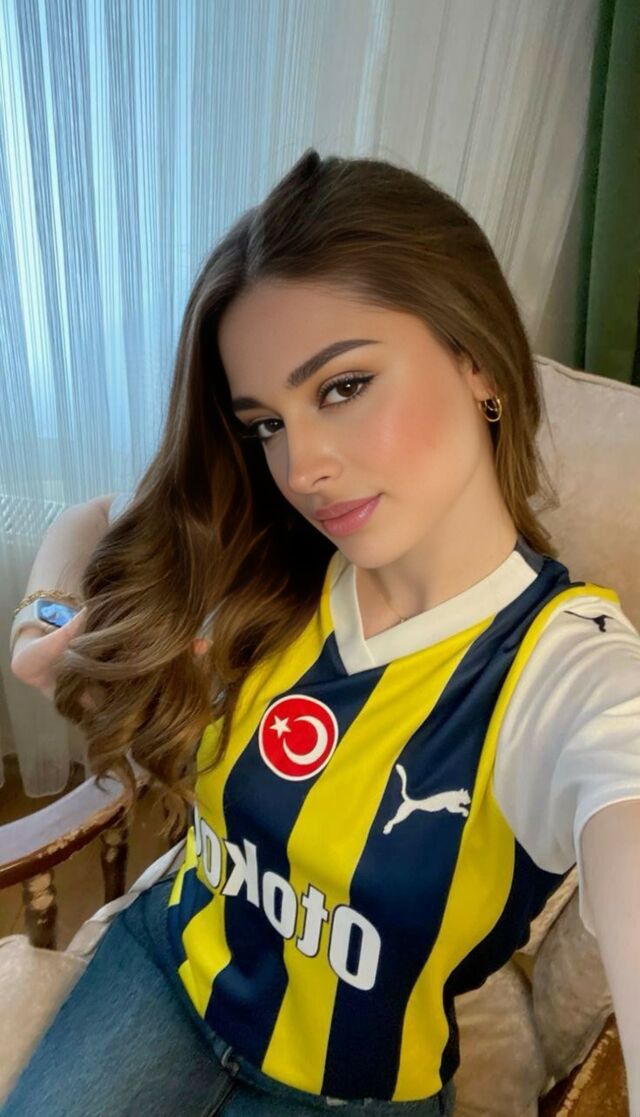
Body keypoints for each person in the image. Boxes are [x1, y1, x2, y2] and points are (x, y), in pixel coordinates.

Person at [6, 149, 640, 1117]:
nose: (302, 467)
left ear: (477, 360)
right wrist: (47, 619)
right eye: (266, 422)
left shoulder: (568, 674)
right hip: (167, 972)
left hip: (352, 1086)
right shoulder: (269, 558)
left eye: (343, 386)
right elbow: (88, 529)